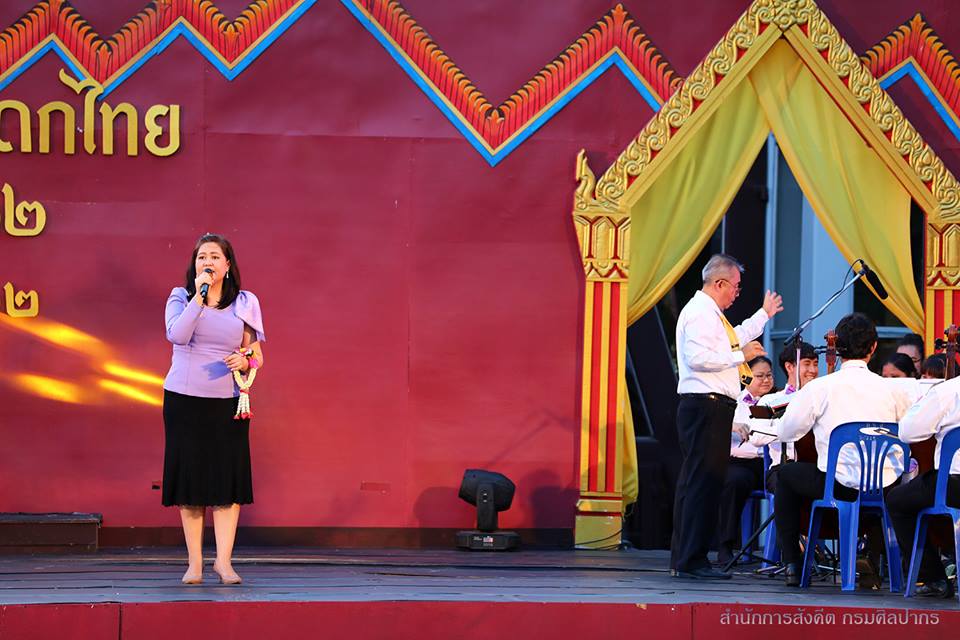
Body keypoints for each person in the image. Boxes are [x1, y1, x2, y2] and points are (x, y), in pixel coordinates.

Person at [773, 313, 918, 586]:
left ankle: (793, 562)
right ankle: (872, 557)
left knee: (785, 474)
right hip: (884, 486)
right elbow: (910, 430)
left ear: (837, 347)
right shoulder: (894, 391)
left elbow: (786, 432)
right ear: (873, 347)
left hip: (837, 485)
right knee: (885, 487)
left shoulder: (820, 388)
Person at [671, 254, 783, 579]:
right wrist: (740, 356)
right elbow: (698, 358)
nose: (736, 293)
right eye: (735, 286)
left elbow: (736, 337)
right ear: (719, 283)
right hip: (705, 405)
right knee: (702, 483)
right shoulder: (699, 313)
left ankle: (686, 558)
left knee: (698, 482)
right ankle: (692, 560)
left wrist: (763, 315)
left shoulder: (712, 315)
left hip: (711, 406)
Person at [162, 233, 265, 586]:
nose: (207, 262)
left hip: (228, 402)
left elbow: (257, 355)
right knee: (190, 482)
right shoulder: (180, 298)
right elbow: (177, 335)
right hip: (184, 400)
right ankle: (194, 564)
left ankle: (223, 562)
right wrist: (199, 296)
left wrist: (245, 360)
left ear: (228, 264)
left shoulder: (245, 303)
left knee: (226, 481)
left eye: (214, 257)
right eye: (201, 257)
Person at [888, 375, 960, 598]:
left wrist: (922, 405)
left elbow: (907, 432)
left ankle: (934, 577)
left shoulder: (948, 391)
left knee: (897, 500)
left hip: (954, 485)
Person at [718, 356, 775, 564]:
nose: (766, 380)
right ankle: (726, 546)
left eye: (769, 375)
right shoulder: (733, 403)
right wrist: (731, 426)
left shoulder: (780, 400)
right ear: (746, 378)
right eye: (760, 376)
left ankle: (788, 551)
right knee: (733, 482)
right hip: (743, 462)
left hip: (772, 462)